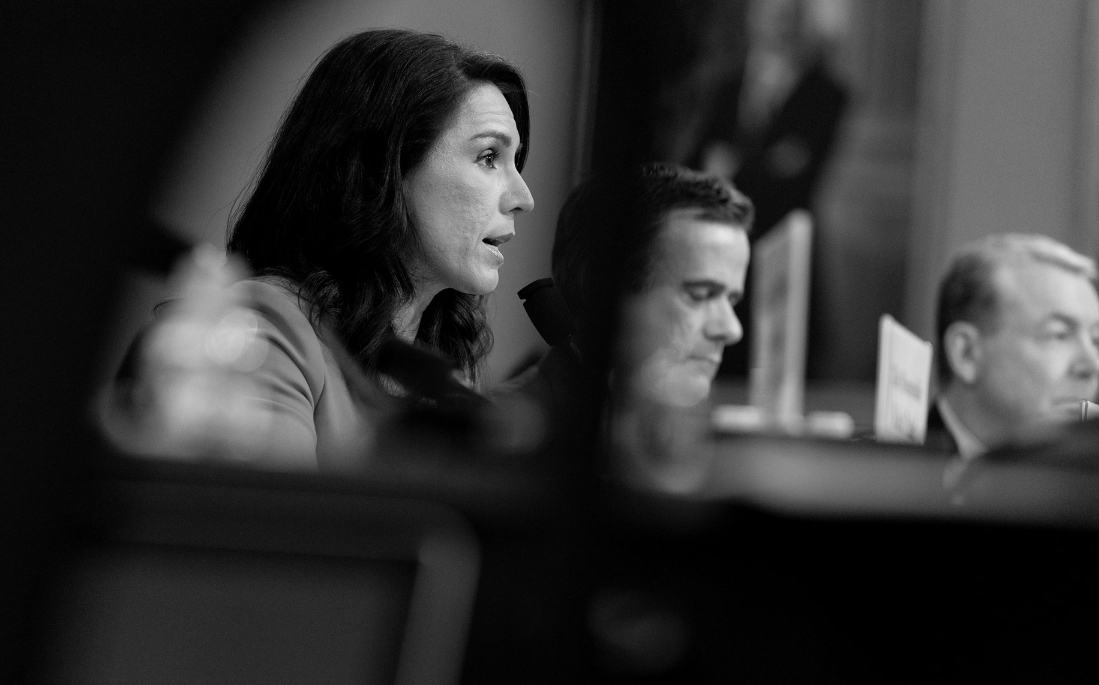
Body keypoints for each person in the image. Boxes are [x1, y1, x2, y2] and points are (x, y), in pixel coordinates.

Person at [113, 29, 535, 469]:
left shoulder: (438, 368)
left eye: (515, 163)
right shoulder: (264, 329)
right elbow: (280, 529)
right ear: (383, 169)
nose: (523, 197)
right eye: (489, 157)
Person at [505, 162, 752, 424]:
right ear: (604, 294)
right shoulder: (501, 449)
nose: (731, 329)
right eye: (700, 295)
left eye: (732, 300)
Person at [926, 234, 1099, 458]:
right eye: (1059, 335)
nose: (1093, 365)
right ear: (967, 354)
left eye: (1096, 340)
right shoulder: (882, 475)